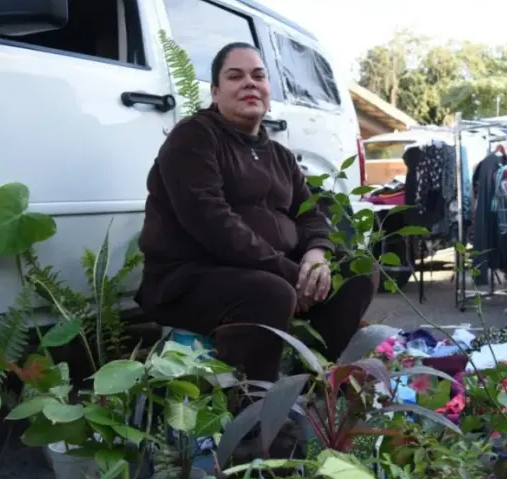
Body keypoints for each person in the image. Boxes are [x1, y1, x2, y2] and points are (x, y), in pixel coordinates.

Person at [136, 42, 377, 384]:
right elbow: (210, 220)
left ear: (267, 90)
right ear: (215, 92)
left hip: (272, 272)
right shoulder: (193, 137)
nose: (249, 83)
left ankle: (319, 379)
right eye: (235, 76)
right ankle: (255, 407)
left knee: (358, 272)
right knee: (271, 293)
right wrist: (290, 273)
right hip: (188, 279)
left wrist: (316, 254)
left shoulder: (279, 154)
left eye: (258, 76)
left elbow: (309, 213)